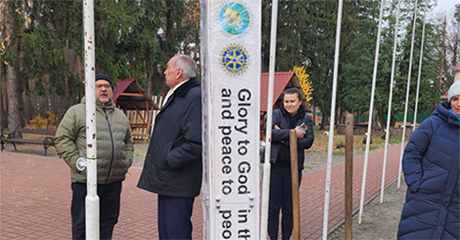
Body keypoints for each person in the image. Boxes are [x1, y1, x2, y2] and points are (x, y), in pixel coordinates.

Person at [55, 73, 134, 240]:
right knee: (82, 226)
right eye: (98, 86)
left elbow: (129, 142)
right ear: (90, 89)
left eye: (107, 86)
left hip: (113, 182)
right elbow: (62, 138)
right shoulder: (77, 112)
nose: (103, 89)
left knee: (108, 223)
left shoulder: (120, 116)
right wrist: (78, 163)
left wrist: (126, 162)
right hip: (86, 182)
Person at [137, 54, 202, 240]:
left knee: (177, 234)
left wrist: (169, 159)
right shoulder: (177, 94)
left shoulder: (193, 97)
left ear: (179, 72)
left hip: (178, 181)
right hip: (169, 180)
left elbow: (195, 143)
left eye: (168, 68)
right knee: (166, 234)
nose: (165, 72)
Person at [397, 80, 460, 239]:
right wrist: (416, 184)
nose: (459, 104)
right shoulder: (432, 124)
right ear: (449, 101)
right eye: (455, 99)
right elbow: (412, 154)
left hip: (456, 206)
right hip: (425, 200)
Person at [268, 87, 314, 240]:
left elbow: (308, 141)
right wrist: (293, 134)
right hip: (275, 167)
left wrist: (283, 138)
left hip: (294, 170)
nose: (288, 104)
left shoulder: (306, 119)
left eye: (292, 101)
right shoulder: (276, 114)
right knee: (273, 208)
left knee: (289, 207)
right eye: (286, 101)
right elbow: (269, 133)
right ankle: (273, 237)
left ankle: (286, 237)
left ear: (299, 102)